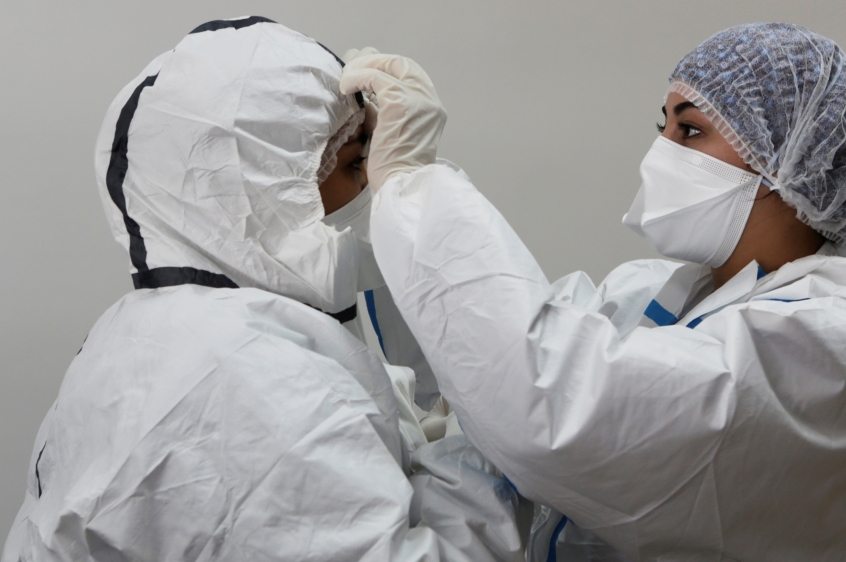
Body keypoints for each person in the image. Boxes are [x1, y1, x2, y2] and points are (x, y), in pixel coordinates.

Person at [340, 23, 846, 561]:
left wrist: (414, 187)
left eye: (689, 132)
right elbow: (471, 365)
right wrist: (377, 199)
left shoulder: (827, 351)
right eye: (661, 126)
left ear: (788, 159)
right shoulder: (658, 295)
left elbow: (549, 403)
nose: (659, 155)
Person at [2, 17, 527, 562]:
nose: (379, 181)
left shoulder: (156, 330)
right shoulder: (250, 372)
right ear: (264, 199)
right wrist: (489, 449)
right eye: (358, 161)